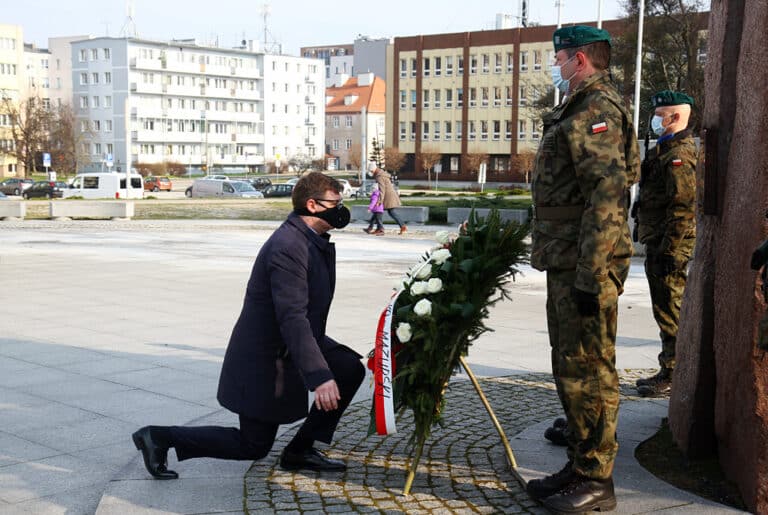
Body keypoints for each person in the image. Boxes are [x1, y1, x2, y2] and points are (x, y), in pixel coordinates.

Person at [132, 172, 365, 479]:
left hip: (292, 340)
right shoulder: (289, 246)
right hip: (266, 354)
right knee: (253, 445)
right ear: (312, 205)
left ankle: (300, 450)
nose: (341, 209)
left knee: (348, 368)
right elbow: (292, 317)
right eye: (335, 203)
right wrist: (320, 377)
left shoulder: (309, 239)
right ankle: (159, 437)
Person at [526, 25, 640, 513]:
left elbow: (606, 197)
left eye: (560, 58)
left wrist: (592, 275)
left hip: (583, 264)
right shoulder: (578, 107)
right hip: (567, 258)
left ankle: (597, 479)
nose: (556, 65)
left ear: (580, 59)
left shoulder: (596, 110)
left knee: (589, 370)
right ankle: (579, 464)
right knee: (571, 365)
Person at [632, 90, 697, 397]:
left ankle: (674, 373)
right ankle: (668, 367)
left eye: (660, 115)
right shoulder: (664, 149)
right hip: (659, 241)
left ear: (676, 116)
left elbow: (682, 207)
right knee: (664, 308)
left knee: (671, 309)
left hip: (669, 245)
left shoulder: (678, 155)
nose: (655, 120)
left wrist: (670, 249)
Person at [369, 160, 407, 234]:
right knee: (381, 212)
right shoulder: (381, 174)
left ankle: (380, 229)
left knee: (382, 212)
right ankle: (376, 228)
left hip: (388, 197)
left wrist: (379, 201)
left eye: (371, 171)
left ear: (373, 170)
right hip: (389, 196)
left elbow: (382, 189)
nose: (371, 173)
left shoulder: (379, 177)